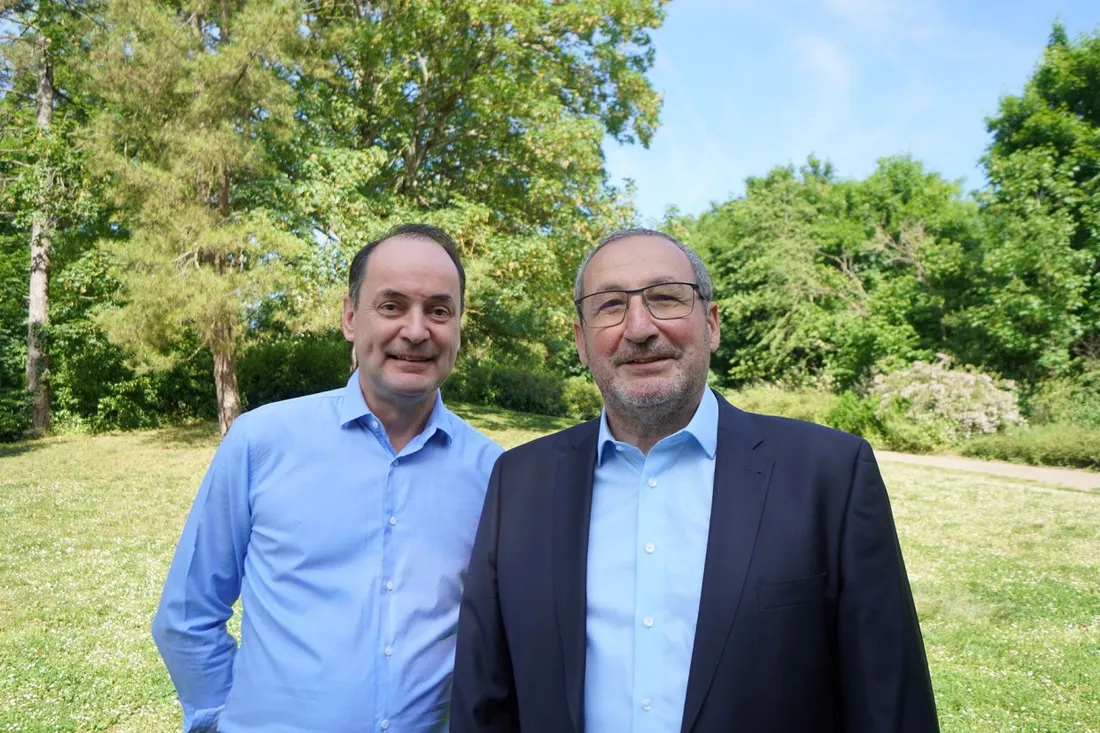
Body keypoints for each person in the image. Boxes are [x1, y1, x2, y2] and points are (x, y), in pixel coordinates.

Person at [450, 228, 939, 733]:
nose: (639, 328)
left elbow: (891, 702)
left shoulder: (830, 476)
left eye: (665, 298)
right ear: (580, 340)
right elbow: (485, 696)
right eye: (610, 305)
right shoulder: (519, 482)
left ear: (711, 323)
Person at [152, 223, 503, 733]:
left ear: (457, 327)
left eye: (439, 310)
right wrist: (219, 719)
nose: (416, 329)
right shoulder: (262, 442)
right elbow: (186, 615)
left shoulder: (493, 473)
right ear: (348, 318)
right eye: (391, 305)